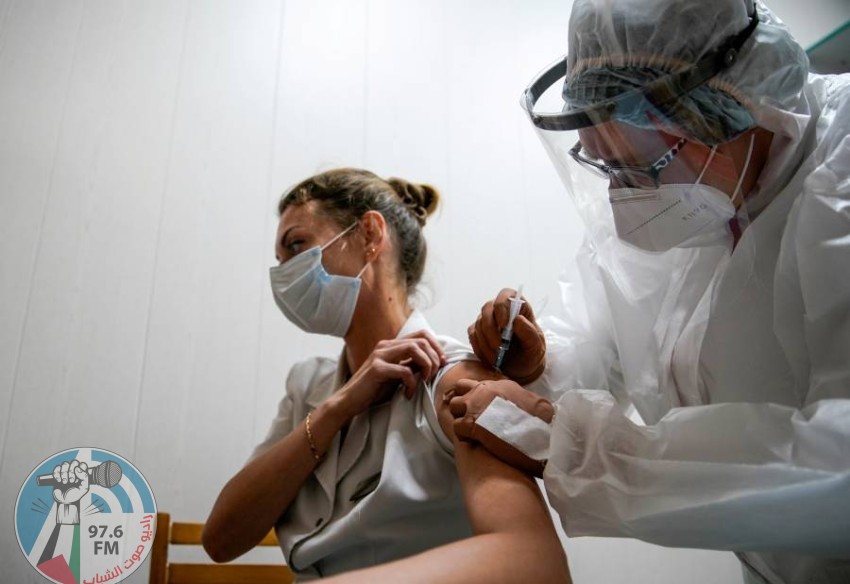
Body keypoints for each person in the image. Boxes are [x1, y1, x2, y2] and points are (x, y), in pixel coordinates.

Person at [451, 1, 850, 583]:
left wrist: (574, 449)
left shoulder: (838, 175)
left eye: (642, 166)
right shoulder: (698, 194)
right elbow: (608, 337)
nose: (626, 199)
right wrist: (542, 363)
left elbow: (838, 463)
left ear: (727, 103)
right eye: (606, 168)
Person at [202, 168, 570, 583]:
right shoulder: (307, 387)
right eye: (280, 261)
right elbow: (221, 540)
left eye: (297, 245)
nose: (284, 275)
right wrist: (335, 409)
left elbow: (536, 566)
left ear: (370, 235)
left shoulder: (448, 376)